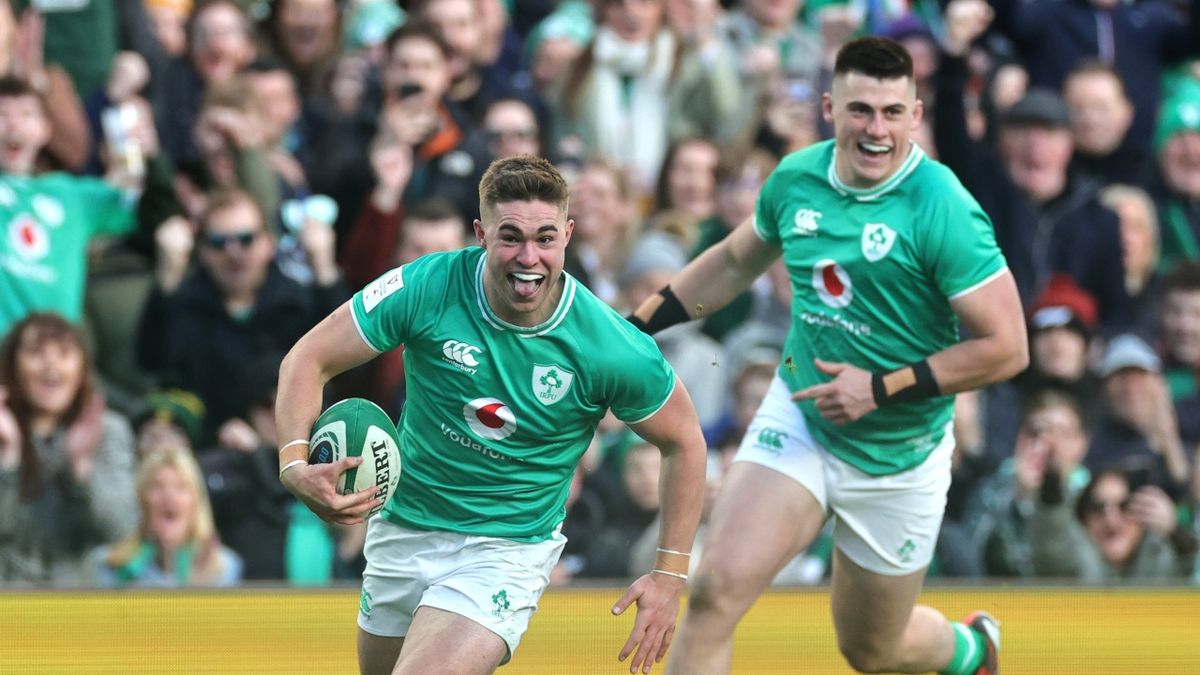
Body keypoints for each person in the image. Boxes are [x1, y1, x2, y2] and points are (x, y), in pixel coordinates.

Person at [630, 37, 1028, 675]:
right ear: (829, 107)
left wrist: (881, 387)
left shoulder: (943, 207)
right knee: (712, 594)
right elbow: (734, 261)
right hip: (803, 416)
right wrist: (636, 327)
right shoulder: (797, 178)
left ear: (915, 117)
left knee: (872, 651)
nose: (876, 130)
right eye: (860, 110)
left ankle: (971, 647)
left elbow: (1007, 349)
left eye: (892, 113)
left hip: (899, 452)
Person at [274, 155, 706, 674]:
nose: (529, 257)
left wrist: (669, 575)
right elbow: (307, 359)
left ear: (568, 234)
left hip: (504, 550)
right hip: (400, 530)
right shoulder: (428, 286)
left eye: (545, 238)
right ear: (480, 233)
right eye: (511, 237)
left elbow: (684, 441)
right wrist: (295, 465)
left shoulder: (610, 345)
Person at [0, 313, 137, 586]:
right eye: (36, 353)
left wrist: (82, 470)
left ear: (83, 369)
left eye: (64, 353)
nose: (51, 364)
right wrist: (9, 461)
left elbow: (122, 530)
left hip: (77, 600)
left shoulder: (108, 429)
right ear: (13, 367)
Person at [90, 445, 242, 588]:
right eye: (157, 486)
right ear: (142, 499)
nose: (169, 497)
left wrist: (199, 586)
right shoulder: (110, 565)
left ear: (196, 501)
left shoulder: (224, 567)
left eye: (181, 487)